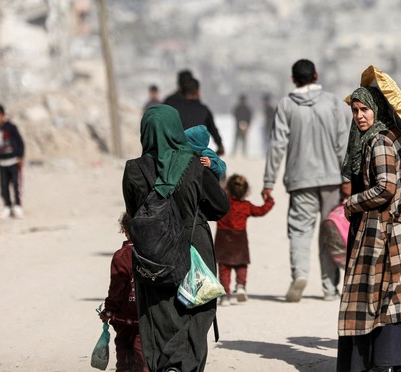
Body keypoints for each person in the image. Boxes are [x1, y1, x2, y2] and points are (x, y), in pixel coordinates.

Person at [122, 105, 229, 372]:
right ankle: (182, 364)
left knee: (159, 313)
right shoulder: (194, 164)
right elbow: (221, 207)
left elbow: (133, 212)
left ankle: (166, 365)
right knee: (198, 309)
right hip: (195, 248)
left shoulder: (133, 170)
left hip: (152, 252)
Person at [337, 85, 401, 372]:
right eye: (355, 111)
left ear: (377, 109)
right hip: (390, 230)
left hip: (380, 231)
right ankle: (390, 361)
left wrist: (353, 202)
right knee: (389, 299)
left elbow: (386, 187)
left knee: (370, 298)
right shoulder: (390, 135)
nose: (359, 116)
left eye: (364, 110)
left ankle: (376, 363)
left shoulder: (378, 141)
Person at [262, 59, 351, 302]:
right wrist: (347, 177)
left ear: (293, 79)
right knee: (329, 231)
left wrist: (268, 181)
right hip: (332, 179)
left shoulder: (286, 105)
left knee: (300, 231)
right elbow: (343, 142)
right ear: (315, 75)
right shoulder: (333, 103)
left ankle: (300, 274)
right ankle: (329, 287)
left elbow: (277, 144)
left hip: (300, 179)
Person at [215, 174, 274, 305]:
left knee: (224, 267)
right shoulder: (246, 206)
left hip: (222, 239)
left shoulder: (223, 203)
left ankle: (225, 295)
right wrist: (269, 200)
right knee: (241, 265)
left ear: (227, 188)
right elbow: (261, 211)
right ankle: (241, 285)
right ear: (246, 191)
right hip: (240, 240)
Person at [100, 212, 147, 372]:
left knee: (125, 361)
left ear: (125, 230)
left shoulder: (121, 256)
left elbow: (117, 289)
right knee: (145, 360)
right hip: (148, 319)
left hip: (124, 319)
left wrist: (108, 310)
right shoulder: (155, 253)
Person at [166, 76, 225, 155]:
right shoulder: (203, 110)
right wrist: (220, 145)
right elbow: (212, 129)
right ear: (197, 91)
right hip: (197, 156)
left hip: (175, 153)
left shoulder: (171, 108)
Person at [0, 104, 25, 219]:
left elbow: (20, 142)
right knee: (3, 186)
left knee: (16, 184)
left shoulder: (11, 127)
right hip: (2, 163)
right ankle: (7, 206)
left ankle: (17, 206)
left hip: (13, 161)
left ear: (3, 116)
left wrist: (20, 156)